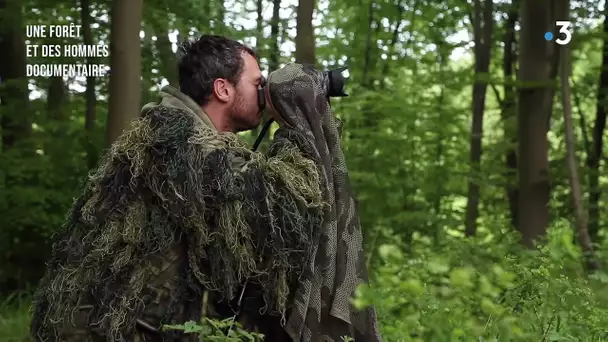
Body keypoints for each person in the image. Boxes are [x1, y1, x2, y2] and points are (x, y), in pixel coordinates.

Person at [30, 35, 381, 341]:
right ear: (223, 88)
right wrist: (295, 120)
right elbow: (287, 216)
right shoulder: (181, 143)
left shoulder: (174, 133)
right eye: (258, 83)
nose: (264, 94)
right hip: (103, 330)